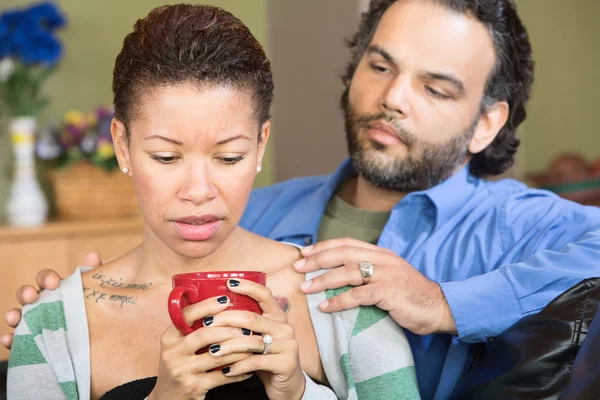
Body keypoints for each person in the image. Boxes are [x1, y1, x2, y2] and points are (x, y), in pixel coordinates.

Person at [5, 0, 600, 398]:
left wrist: (442, 302)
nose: (394, 97)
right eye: (380, 64)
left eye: (435, 87)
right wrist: (53, 315)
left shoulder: (512, 222)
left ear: (486, 124)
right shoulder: (263, 207)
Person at [6, 4, 423, 400]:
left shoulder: (345, 301)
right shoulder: (52, 325)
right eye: (166, 157)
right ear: (122, 145)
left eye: (229, 157)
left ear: (260, 146)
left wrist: (296, 391)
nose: (198, 190)